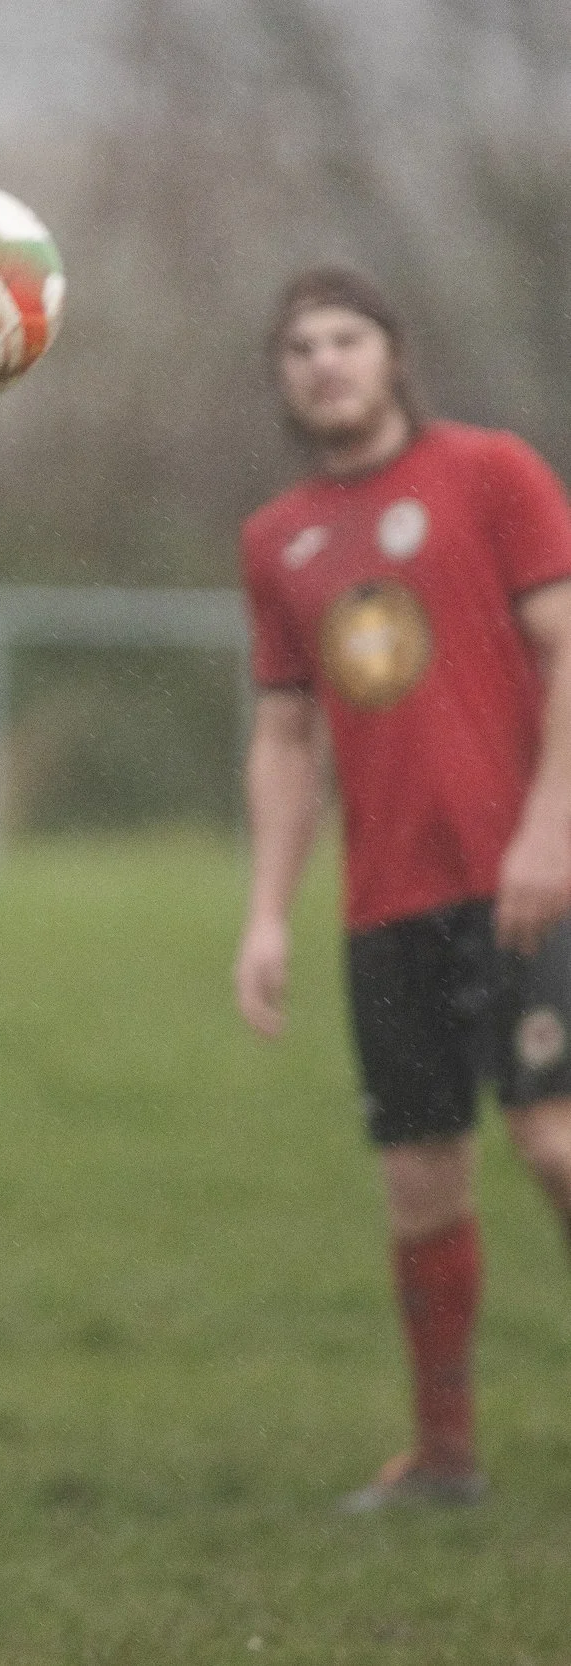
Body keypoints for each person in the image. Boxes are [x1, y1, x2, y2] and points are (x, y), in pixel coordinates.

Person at [234, 266, 571, 1512]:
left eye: (346, 338)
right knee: (419, 1177)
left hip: (525, 875)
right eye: (299, 347)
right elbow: (283, 738)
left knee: (551, 1139)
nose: (324, 361)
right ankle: (442, 1456)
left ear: (393, 355)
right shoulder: (279, 540)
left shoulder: (491, 474)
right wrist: (267, 911)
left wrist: (550, 831)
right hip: (385, 903)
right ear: (282, 380)